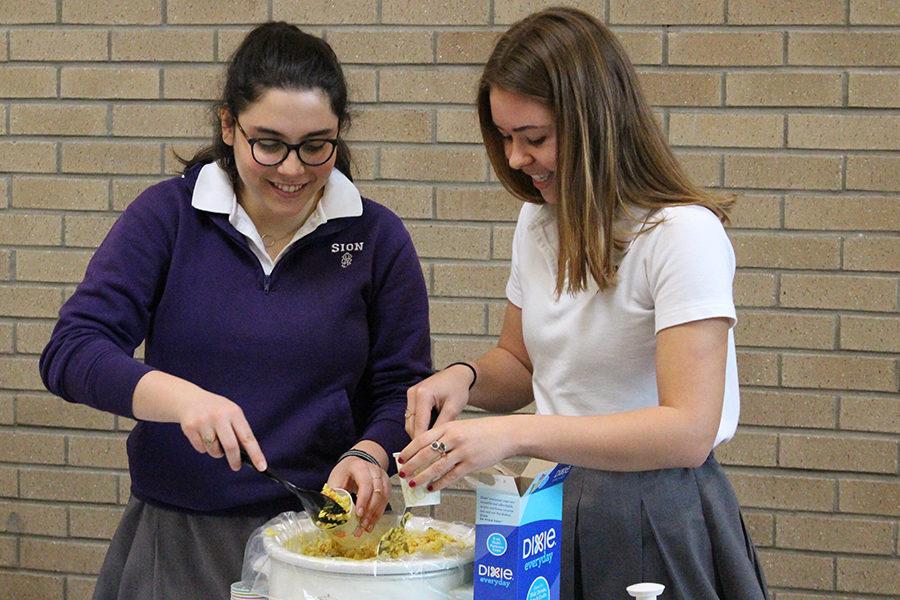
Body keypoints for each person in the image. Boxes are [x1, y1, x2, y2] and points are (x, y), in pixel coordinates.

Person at [39, 22, 430, 599]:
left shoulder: (377, 237)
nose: (292, 169)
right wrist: (182, 400)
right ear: (229, 125)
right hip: (178, 539)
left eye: (316, 145)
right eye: (267, 143)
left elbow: (403, 387)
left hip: (323, 540)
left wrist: (370, 451)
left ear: (339, 133)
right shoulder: (168, 218)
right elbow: (71, 351)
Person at [399, 8, 768, 599]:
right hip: (552, 504)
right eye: (505, 138)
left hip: (653, 509)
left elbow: (686, 431)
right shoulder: (539, 222)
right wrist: (463, 380)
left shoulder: (681, 234)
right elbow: (520, 365)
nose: (517, 158)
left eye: (535, 138)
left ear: (596, 121)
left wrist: (515, 437)